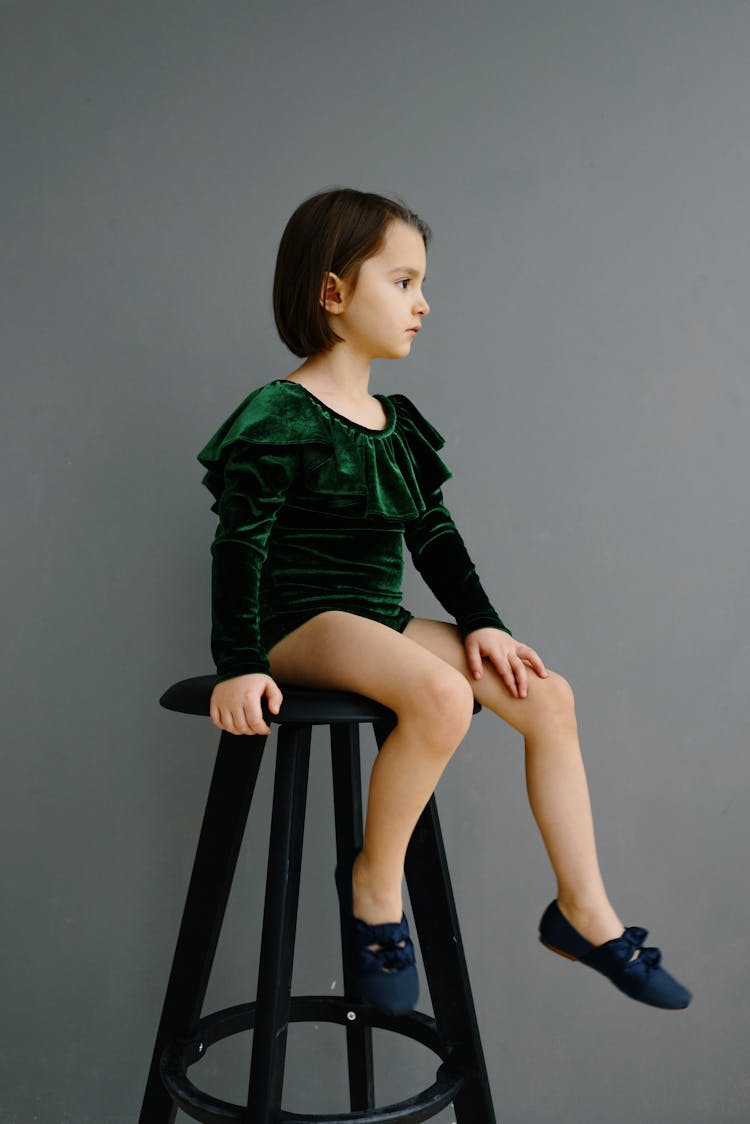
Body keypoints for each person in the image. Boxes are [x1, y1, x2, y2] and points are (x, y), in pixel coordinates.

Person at [196, 187, 691, 1016]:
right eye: (401, 281)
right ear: (333, 293)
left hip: (376, 619)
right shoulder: (277, 414)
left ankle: (584, 911)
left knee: (549, 697)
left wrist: (484, 624)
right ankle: (374, 884)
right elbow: (238, 546)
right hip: (298, 622)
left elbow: (436, 541)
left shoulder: (396, 422)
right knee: (440, 696)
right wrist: (238, 663)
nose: (423, 303)